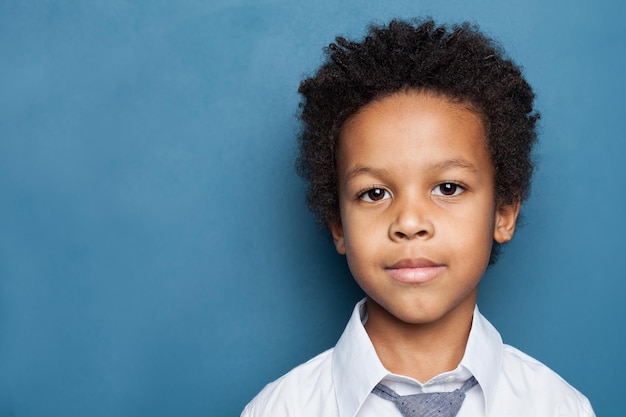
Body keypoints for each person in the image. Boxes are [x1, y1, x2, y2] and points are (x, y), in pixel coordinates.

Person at [241, 18, 595, 417]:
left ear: (503, 212)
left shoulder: (559, 407)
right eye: (374, 193)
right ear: (337, 224)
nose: (409, 222)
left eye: (448, 188)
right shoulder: (279, 410)